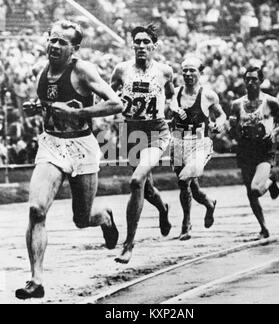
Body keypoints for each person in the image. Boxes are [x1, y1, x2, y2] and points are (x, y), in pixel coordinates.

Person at [16, 20, 124, 300]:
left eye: (62, 42)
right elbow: (51, 103)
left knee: (82, 218)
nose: (54, 45)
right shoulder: (43, 71)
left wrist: (80, 114)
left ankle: (105, 218)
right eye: (52, 40)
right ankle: (36, 279)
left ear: (74, 49)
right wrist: (36, 106)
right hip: (51, 145)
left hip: (80, 147)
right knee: (36, 210)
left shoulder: (82, 70)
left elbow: (116, 103)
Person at [111, 24, 173, 264]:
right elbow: (107, 92)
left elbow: (171, 93)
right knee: (145, 188)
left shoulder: (165, 70)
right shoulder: (121, 69)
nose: (141, 46)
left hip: (157, 130)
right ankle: (163, 208)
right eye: (137, 41)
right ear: (132, 44)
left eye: (146, 42)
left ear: (154, 46)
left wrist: (175, 108)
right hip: (131, 132)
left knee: (136, 181)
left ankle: (128, 244)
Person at [169, 56, 226, 240]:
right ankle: (209, 203)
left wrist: (219, 124)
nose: (187, 74)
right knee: (191, 187)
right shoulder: (176, 93)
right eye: (184, 70)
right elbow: (170, 106)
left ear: (199, 73)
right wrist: (174, 111)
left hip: (199, 142)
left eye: (192, 70)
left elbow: (221, 114)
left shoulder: (208, 95)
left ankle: (186, 223)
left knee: (184, 180)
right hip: (178, 141)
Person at [229, 66, 279, 240]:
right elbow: (233, 127)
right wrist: (234, 132)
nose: (251, 82)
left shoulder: (271, 102)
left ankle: (270, 181)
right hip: (246, 150)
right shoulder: (237, 104)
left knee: (256, 189)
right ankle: (263, 227)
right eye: (248, 79)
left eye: (254, 79)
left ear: (260, 81)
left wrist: (273, 132)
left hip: (264, 149)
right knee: (250, 192)